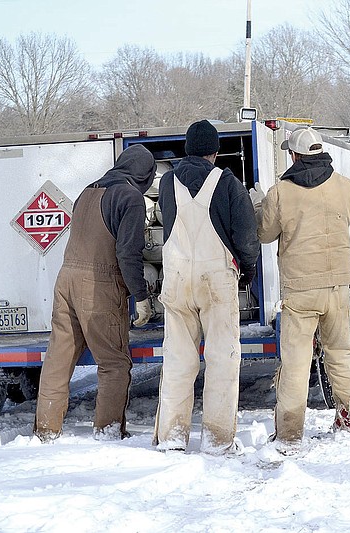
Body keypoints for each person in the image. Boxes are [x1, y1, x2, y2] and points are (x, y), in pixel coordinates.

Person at [253, 126, 350, 453]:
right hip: (336, 286)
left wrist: (258, 203)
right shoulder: (345, 187)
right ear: (321, 152)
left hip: (301, 292)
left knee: (295, 362)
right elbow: (345, 216)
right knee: (341, 353)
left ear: (294, 155)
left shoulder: (280, 193)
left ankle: (290, 433)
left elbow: (264, 233)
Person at [34, 144, 157, 442]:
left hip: (66, 281)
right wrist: (141, 297)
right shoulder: (130, 197)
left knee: (58, 360)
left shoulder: (88, 191)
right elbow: (128, 253)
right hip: (97, 287)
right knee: (113, 362)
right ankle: (108, 430)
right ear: (146, 175)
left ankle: (46, 430)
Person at [154, 119, 260, 455]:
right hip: (215, 280)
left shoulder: (168, 182)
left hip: (177, 279)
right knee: (222, 358)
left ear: (187, 150)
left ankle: (171, 436)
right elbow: (246, 237)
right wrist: (248, 268)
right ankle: (216, 439)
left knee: (178, 358)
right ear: (215, 152)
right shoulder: (227, 182)